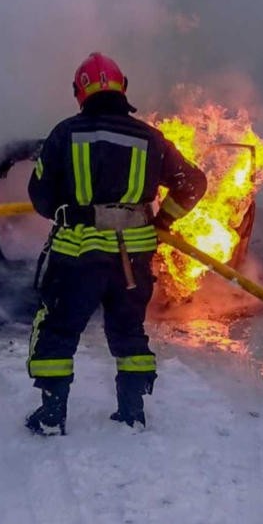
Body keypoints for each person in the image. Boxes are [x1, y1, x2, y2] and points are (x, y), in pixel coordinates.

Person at [25, 52, 207, 435]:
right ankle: (132, 411)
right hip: (133, 260)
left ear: (80, 92)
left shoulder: (64, 133)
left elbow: (40, 195)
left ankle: (52, 414)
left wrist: (67, 207)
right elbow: (193, 183)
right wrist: (162, 221)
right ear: (123, 88)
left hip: (77, 258)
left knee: (59, 330)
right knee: (128, 330)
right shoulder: (150, 138)